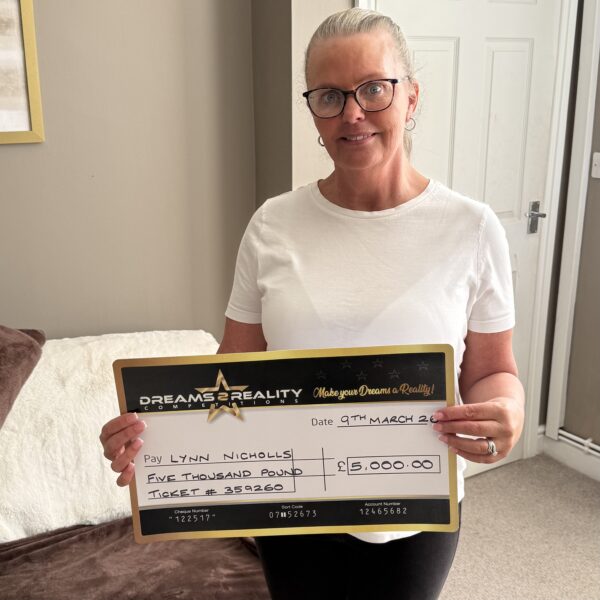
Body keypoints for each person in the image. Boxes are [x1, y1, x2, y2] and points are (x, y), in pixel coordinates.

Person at [100, 8, 525, 599]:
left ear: (411, 97)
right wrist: (156, 440)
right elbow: (232, 374)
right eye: (329, 96)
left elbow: (493, 370)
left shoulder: (472, 229)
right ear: (313, 113)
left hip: (412, 517)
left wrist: (507, 411)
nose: (352, 113)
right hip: (290, 511)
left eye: (373, 88)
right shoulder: (271, 226)